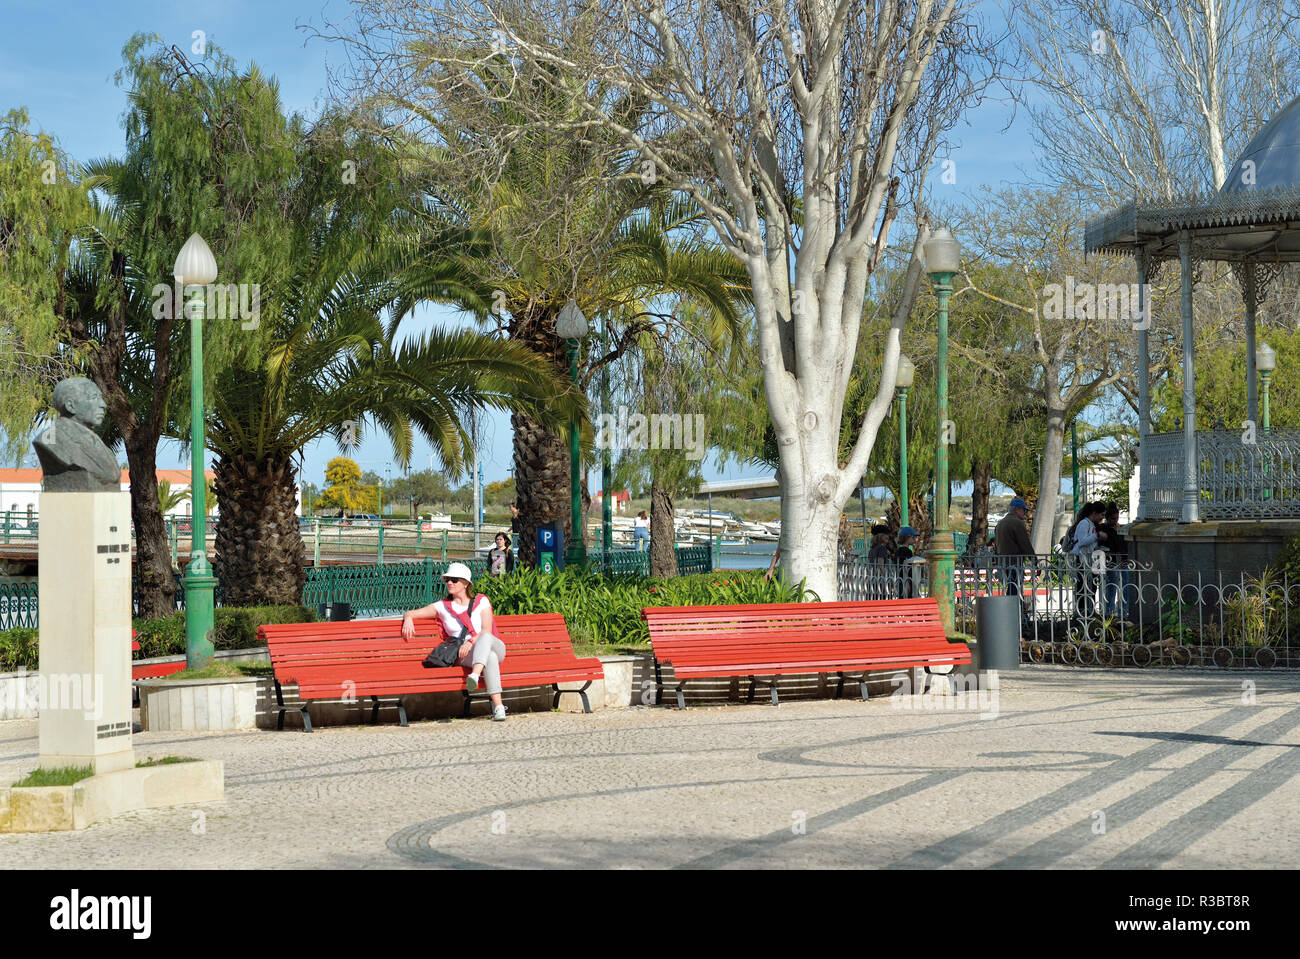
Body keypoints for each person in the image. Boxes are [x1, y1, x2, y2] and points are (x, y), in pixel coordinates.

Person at [401, 562, 509, 721]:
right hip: (467, 655)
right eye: (447, 580)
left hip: (493, 645)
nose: (449, 583)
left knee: (485, 638)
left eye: (454, 580)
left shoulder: (482, 601)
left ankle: (475, 674)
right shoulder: (442, 607)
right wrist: (408, 618)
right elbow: (411, 612)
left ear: (465, 583)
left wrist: (470, 642)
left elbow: (486, 629)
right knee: (490, 657)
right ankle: (499, 708)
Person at [993, 496, 1033, 599]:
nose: (1025, 513)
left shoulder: (1000, 523)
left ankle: (1013, 610)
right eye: (1024, 510)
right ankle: (1015, 611)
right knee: (1015, 588)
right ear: (1017, 510)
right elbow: (1025, 544)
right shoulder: (1017, 523)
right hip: (1015, 562)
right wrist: (1034, 559)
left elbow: (996, 544)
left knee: (1011, 586)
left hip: (1003, 562)